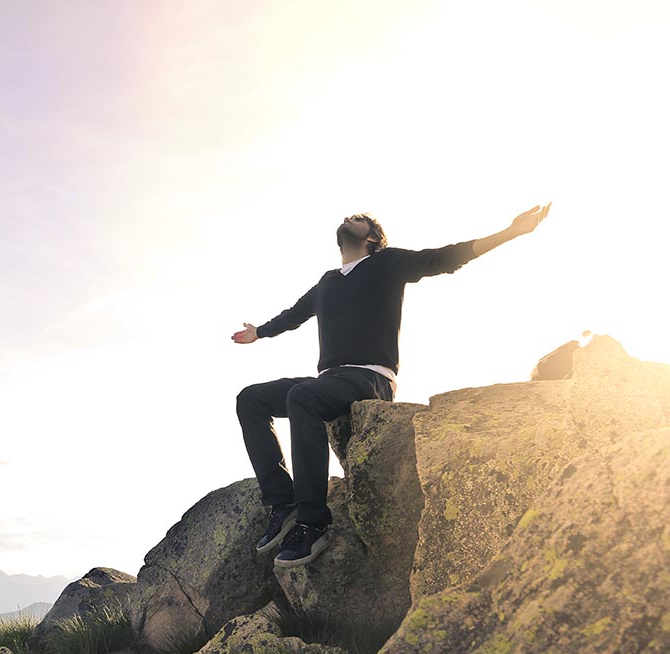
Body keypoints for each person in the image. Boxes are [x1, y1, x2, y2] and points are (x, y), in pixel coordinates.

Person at [233, 203, 552, 567]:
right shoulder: (327, 282)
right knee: (251, 399)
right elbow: (293, 316)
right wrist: (258, 332)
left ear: (372, 238)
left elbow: (445, 258)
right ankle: (283, 503)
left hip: (371, 377)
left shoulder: (385, 264)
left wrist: (511, 232)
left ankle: (312, 524)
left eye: (360, 218)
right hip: (330, 380)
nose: (351, 215)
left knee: (301, 396)